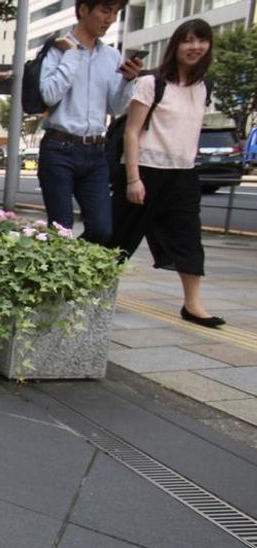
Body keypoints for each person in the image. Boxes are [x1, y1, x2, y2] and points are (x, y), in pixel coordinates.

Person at [111, 19, 224, 328]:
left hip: (183, 175)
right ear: (176, 45)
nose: (195, 47)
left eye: (201, 41)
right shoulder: (152, 83)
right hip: (145, 170)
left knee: (189, 239)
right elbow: (131, 132)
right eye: (188, 41)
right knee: (118, 239)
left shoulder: (204, 87)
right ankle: (87, 292)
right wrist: (133, 179)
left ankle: (193, 305)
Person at [38, 0, 142, 243]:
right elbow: (49, 95)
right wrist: (73, 55)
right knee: (61, 229)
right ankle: (61, 270)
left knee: (103, 229)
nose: (110, 18)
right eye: (105, 11)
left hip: (95, 151)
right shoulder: (56, 50)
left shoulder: (111, 56)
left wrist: (127, 81)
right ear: (84, 9)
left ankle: (73, 268)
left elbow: (115, 107)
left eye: (115, 13)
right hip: (59, 148)